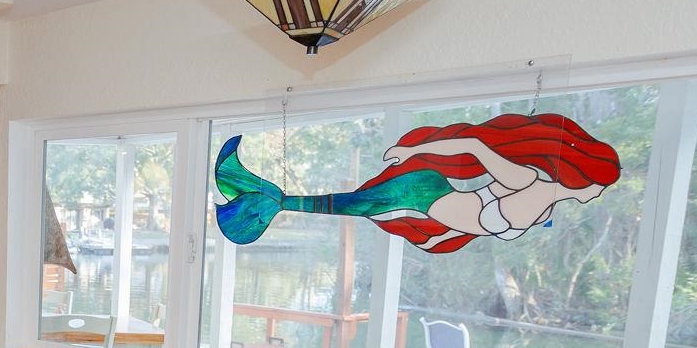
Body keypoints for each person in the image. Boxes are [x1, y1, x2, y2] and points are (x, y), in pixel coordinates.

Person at [214, 112, 622, 253]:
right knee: (338, 204)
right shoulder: (530, 183)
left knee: (341, 204)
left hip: (429, 207)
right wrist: (410, 154)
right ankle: (261, 202)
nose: (598, 193)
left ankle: (258, 197)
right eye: (600, 185)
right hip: (420, 195)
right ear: (585, 175)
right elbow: (477, 146)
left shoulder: (547, 202)